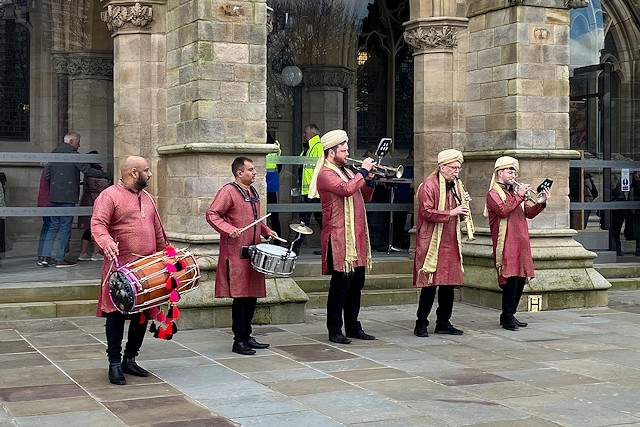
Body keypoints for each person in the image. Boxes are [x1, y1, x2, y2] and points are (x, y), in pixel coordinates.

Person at [91, 156, 165, 385]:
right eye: (146, 170)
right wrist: (106, 242)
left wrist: (167, 259)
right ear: (134, 172)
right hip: (120, 269)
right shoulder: (110, 195)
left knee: (142, 314)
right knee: (116, 315)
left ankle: (130, 359)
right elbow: (98, 223)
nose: (150, 174)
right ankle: (114, 363)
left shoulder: (149, 199)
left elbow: (158, 232)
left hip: (147, 269)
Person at [308, 129, 377, 344]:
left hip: (355, 237)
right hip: (338, 238)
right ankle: (335, 330)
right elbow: (346, 190)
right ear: (331, 152)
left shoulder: (347, 171)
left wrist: (370, 180)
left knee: (357, 284)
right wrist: (363, 172)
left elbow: (363, 195)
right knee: (340, 286)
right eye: (343, 150)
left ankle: (354, 326)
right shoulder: (326, 174)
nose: (347, 153)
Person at [206, 156, 279, 355]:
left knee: (252, 295)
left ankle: (247, 335)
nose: (254, 172)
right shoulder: (228, 191)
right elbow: (212, 214)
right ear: (240, 173)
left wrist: (266, 231)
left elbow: (255, 220)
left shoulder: (253, 191)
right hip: (236, 252)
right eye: (251, 169)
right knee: (240, 297)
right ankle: (239, 340)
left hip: (253, 251)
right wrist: (228, 229)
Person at [484, 156, 550, 331]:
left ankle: (510, 314)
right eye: (509, 170)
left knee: (520, 279)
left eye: (514, 171)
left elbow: (528, 213)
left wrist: (541, 203)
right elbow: (503, 210)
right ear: (499, 173)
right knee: (510, 279)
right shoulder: (493, 193)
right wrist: (520, 196)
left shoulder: (514, 193)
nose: (513, 174)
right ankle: (506, 316)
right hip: (506, 242)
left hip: (520, 241)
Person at [412, 149, 468, 338]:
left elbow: (457, 213)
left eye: (458, 168)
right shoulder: (429, 185)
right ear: (442, 167)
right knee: (430, 283)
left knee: (448, 284)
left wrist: (462, 211)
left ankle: (444, 322)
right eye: (453, 167)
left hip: (450, 239)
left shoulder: (456, 185)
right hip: (432, 240)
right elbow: (426, 212)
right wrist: (451, 212)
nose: (456, 171)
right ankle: (421, 323)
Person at [41, 132, 111, 267]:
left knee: (53, 226)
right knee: (65, 227)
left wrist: (58, 185)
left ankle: (45, 256)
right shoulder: (73, 155)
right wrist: (107, 175)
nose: (79, 145)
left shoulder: (53, 154)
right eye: (78, 142)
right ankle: (60, 258)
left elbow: (48, 175)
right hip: (68, 197)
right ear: (72, 141)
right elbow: (88, 171)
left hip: (54, 196)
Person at [292, 124, 323, 255]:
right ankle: (330, 246)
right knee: (315, 219)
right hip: (308, 191)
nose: (304, 135)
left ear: (313, 134)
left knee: (305, 220)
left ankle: (295, 247)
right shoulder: (308, 148)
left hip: (314, 192)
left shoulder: (318, 147)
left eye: (306, 133)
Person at [78, 151, 110, 261]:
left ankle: (84, 253)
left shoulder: (88, 171)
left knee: (89, 229)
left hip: (89, 201)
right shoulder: (93, 172)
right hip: (94, 201)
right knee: (98, 227)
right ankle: (95, 253)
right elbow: (99, 186)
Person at [265, 133, 282, 244]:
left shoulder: (264, 147)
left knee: (262, 215)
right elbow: (280, 166)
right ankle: (278, 241)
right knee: (274, 216)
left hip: (264, 185)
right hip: (273, 184)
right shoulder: (276, 146)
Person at [36, 166, 51, 266]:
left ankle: (41, 255)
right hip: (48, 203)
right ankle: (45, 255)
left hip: (44, 202)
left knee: (46, 228)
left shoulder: (46, 169)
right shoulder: (50, 169)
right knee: (49, 228)